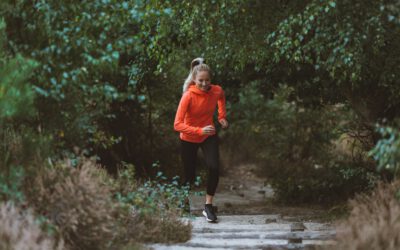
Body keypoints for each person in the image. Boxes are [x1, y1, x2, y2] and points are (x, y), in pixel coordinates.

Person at [174, 58, 228, 223]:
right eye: (200, 81)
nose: (204, 84)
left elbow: (221, 98)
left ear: (211, 80)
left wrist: (221, 117)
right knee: (189, 175)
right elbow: (177, 124)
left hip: (208, 136)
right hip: (189, 138)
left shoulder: (216, 90)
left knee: (214, 167)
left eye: (207, 80)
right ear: (194, 80)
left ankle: (208, 206)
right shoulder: (188, 96)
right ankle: (183, 204)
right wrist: (198, 130)